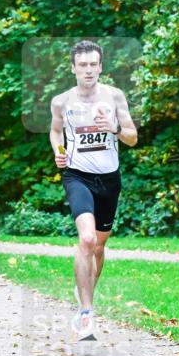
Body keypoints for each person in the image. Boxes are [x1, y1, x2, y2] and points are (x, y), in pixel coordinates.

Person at [49, 40, 137, 340]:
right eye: (82, 65)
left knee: (99, 247)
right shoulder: (61, 101)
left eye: (93, 65)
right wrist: (58, 151)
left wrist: (113, 127)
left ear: (100, 67)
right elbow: (55, 130)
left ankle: (84, 291)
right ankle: (86, 314)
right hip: (77, 176)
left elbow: (133, 138)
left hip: (109, 179)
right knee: (86, 239)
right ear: (73, 68)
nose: (88, 70)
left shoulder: (114, 96)